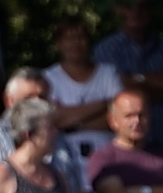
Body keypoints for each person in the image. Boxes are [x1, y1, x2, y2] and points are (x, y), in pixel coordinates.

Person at [93, 0, 163, 158]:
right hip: (125, 154)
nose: (136, 11)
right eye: (129, 6)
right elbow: (120, 91)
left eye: (143, 6)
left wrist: (139, 78)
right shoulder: (106, 49)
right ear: (117, 10)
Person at [42, 18, 121, 184]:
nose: (75, 44)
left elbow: (120, 119)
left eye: (81, 37)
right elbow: (55, 120)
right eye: (69, 39)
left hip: (108, 153)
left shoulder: (108, 73)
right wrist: (105, 104)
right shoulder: (48, 78)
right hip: (65, 156)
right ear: (58, 43)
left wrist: (72, 121)